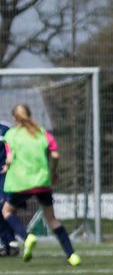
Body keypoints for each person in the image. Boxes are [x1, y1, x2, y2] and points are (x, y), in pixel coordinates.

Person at [2, 103, 82, 266]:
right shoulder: (42, 133)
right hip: (42, 181)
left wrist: (7, 167)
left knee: (7, 211)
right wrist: (53, 172)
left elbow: (9, 158)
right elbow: (55, 154)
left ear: (14, 119)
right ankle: (72, 255)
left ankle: (27, 237)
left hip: (20, 182)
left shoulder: (11, 135)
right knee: (52, 219)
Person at [0, 117, 16, 256]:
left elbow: (14, 149)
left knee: (3, 206)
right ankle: (5, 244)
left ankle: (10, 242)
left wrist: (9, 164)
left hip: (4, 175)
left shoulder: (6, 129)